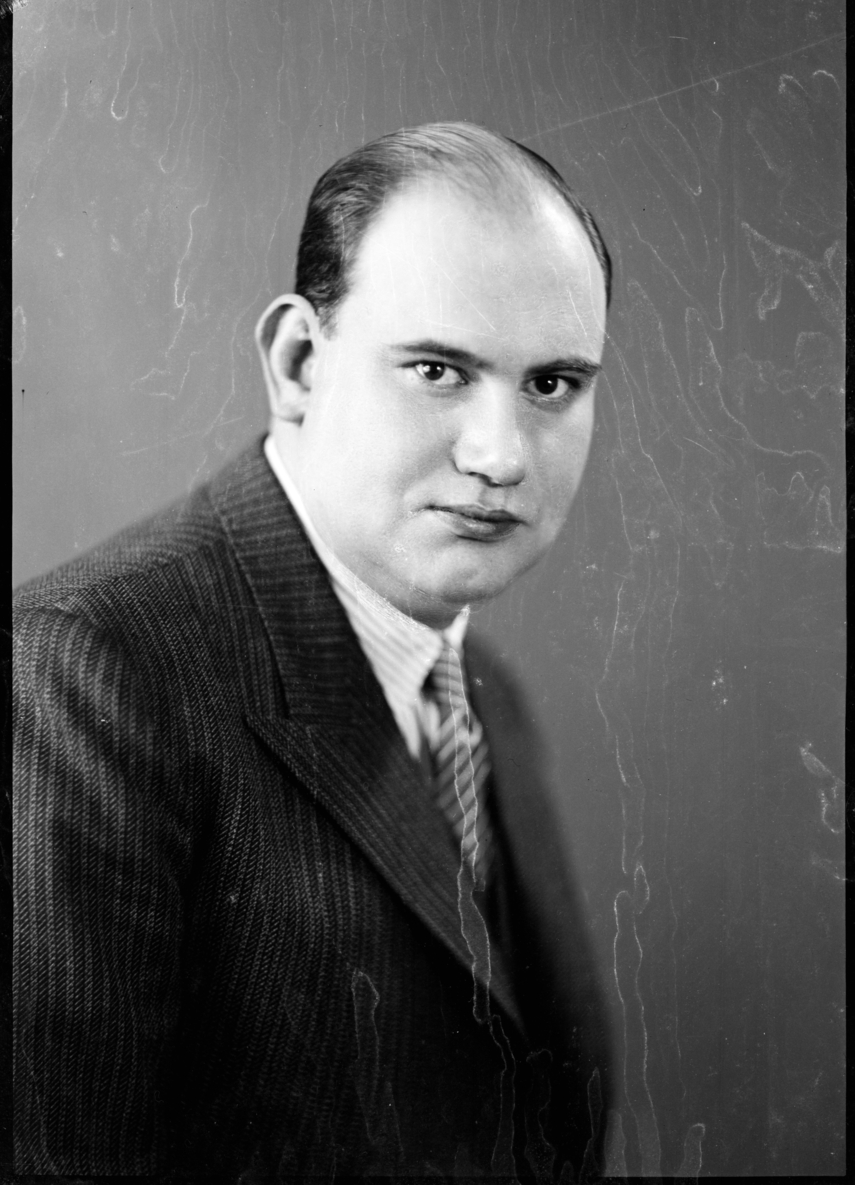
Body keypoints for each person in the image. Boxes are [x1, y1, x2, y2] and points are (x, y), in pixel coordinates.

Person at [13, 122, 613, 1180]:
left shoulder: (488, 701)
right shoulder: (85, 673)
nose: (501, 456)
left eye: (552, 385)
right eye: (437, 369)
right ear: (297, 364)